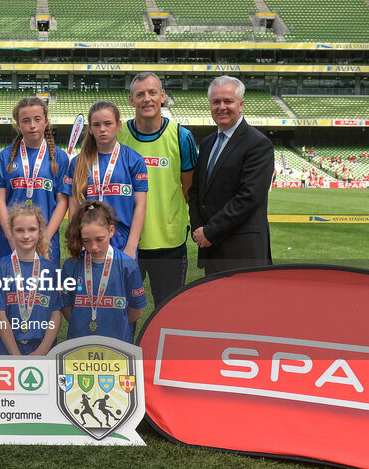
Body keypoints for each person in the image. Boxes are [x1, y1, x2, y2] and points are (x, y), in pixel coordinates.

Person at [119, 72, 198, 306]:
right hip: (126, 242)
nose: (147, 99)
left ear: (162, 96)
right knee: (122, 308)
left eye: (152, 92)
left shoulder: (181, 136)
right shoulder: (119, 135)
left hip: (169, 243)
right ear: (131, 100)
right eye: (140, 94)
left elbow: (189, 187)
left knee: (168, 309)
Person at [188, 76, 274, 276]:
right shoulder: (208, 143)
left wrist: (209, 232)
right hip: (211, 250)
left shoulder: (258, 144)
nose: (221, 107)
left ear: (241, 104)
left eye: (228, 101)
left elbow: (249, 197)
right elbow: (196, 192)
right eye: (216, 102)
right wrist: (199, 228)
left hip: (242, 251)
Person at [0, 97, 70, 265]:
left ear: (46, 122)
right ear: (18, 125)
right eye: (26, 121)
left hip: (47, 243)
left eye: (37, 119)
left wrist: (44, 239)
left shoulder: (60, 158)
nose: (32, 125)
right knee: (10, 289)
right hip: (10, 242)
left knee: (45, 289)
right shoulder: (6, 156)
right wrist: (12, 238)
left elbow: (62, 203)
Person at [64, 102, 148, 257]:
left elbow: (140, 205)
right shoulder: (78, 163)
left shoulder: (134, 160)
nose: (102, 129)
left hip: (123, 242)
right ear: (90, 129)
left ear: (119, 125)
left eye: (108, 123)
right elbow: (74, 207)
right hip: (88, 242)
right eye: (96, 125)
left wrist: (131, 246)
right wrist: (76, 242)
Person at [61, 202, 146, 345]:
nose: (94, 246)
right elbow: (66, 307)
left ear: (111, 230)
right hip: (79, 347)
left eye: (100, 239)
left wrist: (117, 326)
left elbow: (136, 312)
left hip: (117, 347)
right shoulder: (71, 265)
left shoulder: (128, 266)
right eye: (86, 241)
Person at [0, 203, 63, 356]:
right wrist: (16, 355)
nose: (26, 235)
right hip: (6, 352)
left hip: (43, 352)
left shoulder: (51, 270)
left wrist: (42, 350)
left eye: (32, 229)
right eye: (19, 230)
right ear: (11, 233)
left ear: (40, 232)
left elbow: (55, 313)